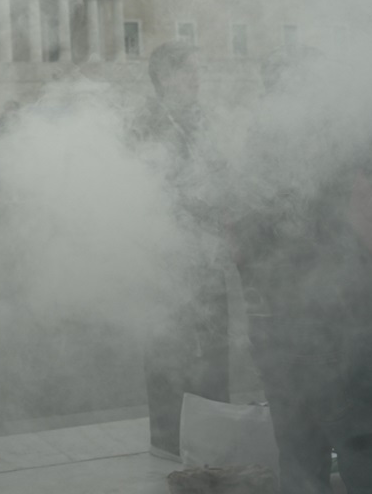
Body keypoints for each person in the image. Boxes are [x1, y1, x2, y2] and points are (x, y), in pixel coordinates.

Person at [229, 50, 372, 494]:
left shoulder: (250, 153)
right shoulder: (333, 153)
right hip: (340, 331)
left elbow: (238, 245)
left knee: (299, 460)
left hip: (274, 334)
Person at [141, 41, 231, 460]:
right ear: (165, 78)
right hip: (163, 253)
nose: (197, 79)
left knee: (213, 344)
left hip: (207, 248)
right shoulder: (146, 122)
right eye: (188, 71)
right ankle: (167, 437)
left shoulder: (203, 118)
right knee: (166, 345)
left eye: (198, 70)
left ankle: (214, 429)